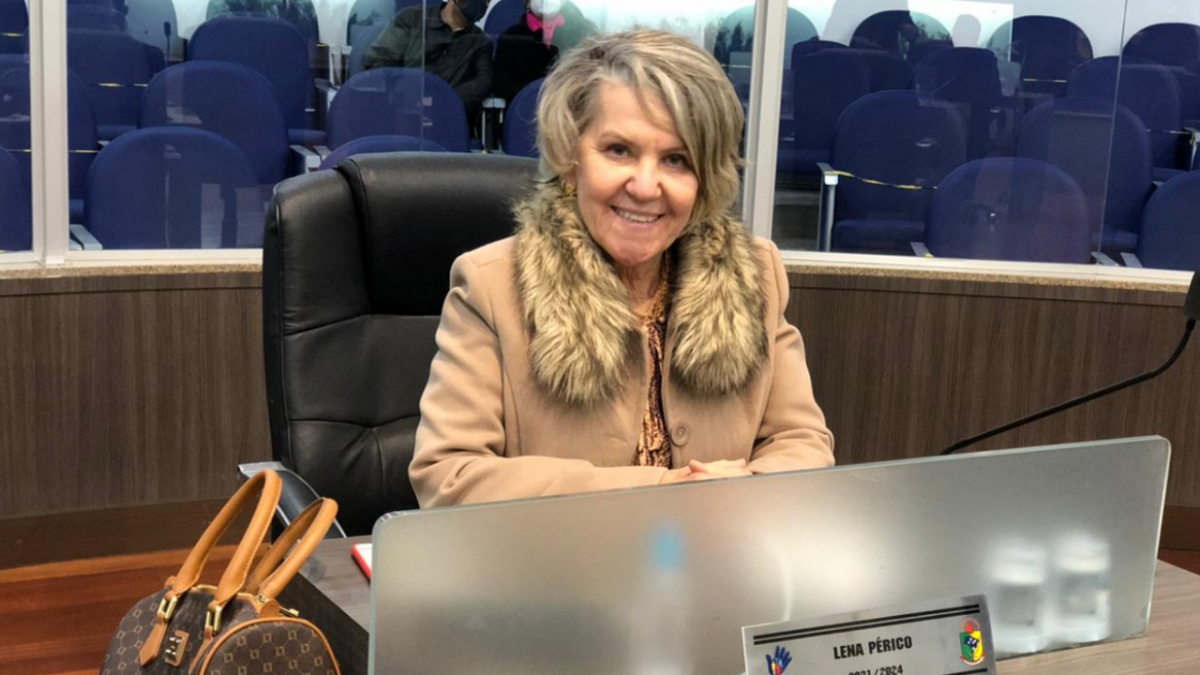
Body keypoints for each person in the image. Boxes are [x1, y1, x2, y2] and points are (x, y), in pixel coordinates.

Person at [411, 30, 834, 507]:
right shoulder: (490, 285)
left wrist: (741, 489)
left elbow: (802, 443)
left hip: (720, 549)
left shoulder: (756, 274)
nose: (646, 186)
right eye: (619, 150)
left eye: (677, 159)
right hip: (559, 554)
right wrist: (665, 491)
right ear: (570, 160)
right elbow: (449, 478)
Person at [362, 0, 493, 120]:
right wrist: (406, 95)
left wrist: (443, 100)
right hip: (400, 112)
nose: (482, 3)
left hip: (446, 117)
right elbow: (379, 61)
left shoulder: (480, 42)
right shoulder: (411, 19)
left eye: (487, 0)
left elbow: (483, 82)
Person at [492, 0, 597, 102]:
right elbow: (502, 83)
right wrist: (536, 94)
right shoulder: (512, 36)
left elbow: (592, 78)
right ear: (527, 3)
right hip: (527, 104)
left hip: (570, 104)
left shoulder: (583, 32)